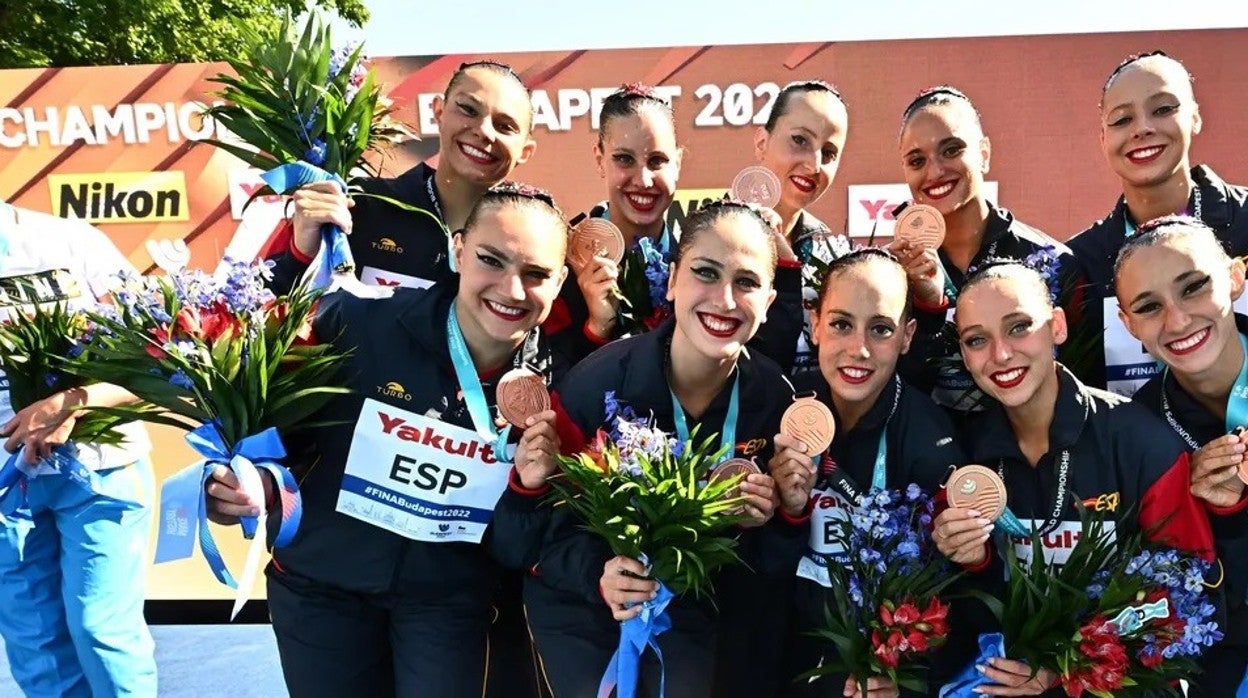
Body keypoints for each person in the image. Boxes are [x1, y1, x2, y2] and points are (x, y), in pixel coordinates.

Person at [207, 184, 571, 697]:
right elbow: (259, 410)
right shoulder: (357, 321)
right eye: (492, 260)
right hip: (322, 588)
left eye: (535, 274)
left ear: (559, 280)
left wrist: (528, 492)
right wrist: (240, 485)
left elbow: (515, 551)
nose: (511, 290)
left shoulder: (558, 385)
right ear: (459, 249)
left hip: (447, 605)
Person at [523, 201, 815, 698]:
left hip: (705, 632)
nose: (724, 299)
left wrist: (779, 516)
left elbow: (770, 568)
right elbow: (532, 535)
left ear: (769, 301)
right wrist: (599, 573)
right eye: (705, 272)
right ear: (674, 279)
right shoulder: (595, 385)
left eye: (746, 283)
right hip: (591, 622)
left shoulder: (776, 403)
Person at [935, 260, 1233, 696]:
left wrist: (1065, 670)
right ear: (964, 354)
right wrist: (970, 559)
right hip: (1009, 680)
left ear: (1056, 326)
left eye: (1019, 327)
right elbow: (971, 606)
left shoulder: (1140, 443)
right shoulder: (965, 455)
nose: (1000, 354)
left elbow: (1189, 594)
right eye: (977, 340)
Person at [778, 249, 965, 698]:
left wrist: (909, 682)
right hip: (792, 664)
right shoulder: (785, 413)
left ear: (907, 336)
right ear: (816, 323)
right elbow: (755, 577)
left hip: (886, 678)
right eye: (841, 323)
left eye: (880, 329)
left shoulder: (933, 443)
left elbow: (954, 600)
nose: (858, 349)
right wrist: (787, 513)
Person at [0, 203, 156, 697]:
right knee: (39, 649)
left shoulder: (68, 240)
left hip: (101, 469)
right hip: (6, 489)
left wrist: (72, 403)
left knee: (102, 631)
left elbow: (158, 351)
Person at [563, 84, 804, 371]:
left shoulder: (699, 261)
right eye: (624, 159)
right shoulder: (564, 263)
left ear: (677, 163)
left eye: (657, 161)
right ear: (600, 159)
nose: (643, 180)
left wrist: (779, 256)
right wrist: (598, 328)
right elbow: (553, 384)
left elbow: (765, 365)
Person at [890, 86, 1090, 418]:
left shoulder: (1053, 261)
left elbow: (1082, 384)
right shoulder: (896, 273)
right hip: (932, 458)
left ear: (984, 153)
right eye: (916, 160)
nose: (935, 171)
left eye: (951, 150)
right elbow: (894, 387)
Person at [1115, 216, 1248, 695]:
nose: (1177, 320)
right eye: (1149, 307)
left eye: (1193, 287)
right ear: (1127, 325)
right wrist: (1224, 519)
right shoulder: (1136, 431)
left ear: (1234, 278)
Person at [268, 60, 537, 292]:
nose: (484, 131)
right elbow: (259, 316)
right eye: (468, 109)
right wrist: (301, 253)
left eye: (505, 126)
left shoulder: (535, 241)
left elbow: (558, 347)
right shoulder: (355, 207)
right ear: (439, 112)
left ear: (525, 151)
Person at [1068, 51, 1248, 396]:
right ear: (1103, 139)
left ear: (1195, 117)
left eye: (1163, 109)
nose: (1142, 129)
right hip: (1147, 448)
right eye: (1121, 120)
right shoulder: (1079, 263)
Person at [752, 80, 854, 376]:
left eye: (830, 152)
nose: (814, 164)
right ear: (762, 142)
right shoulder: (710, 238)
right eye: (800, 140)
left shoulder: (835, 254)